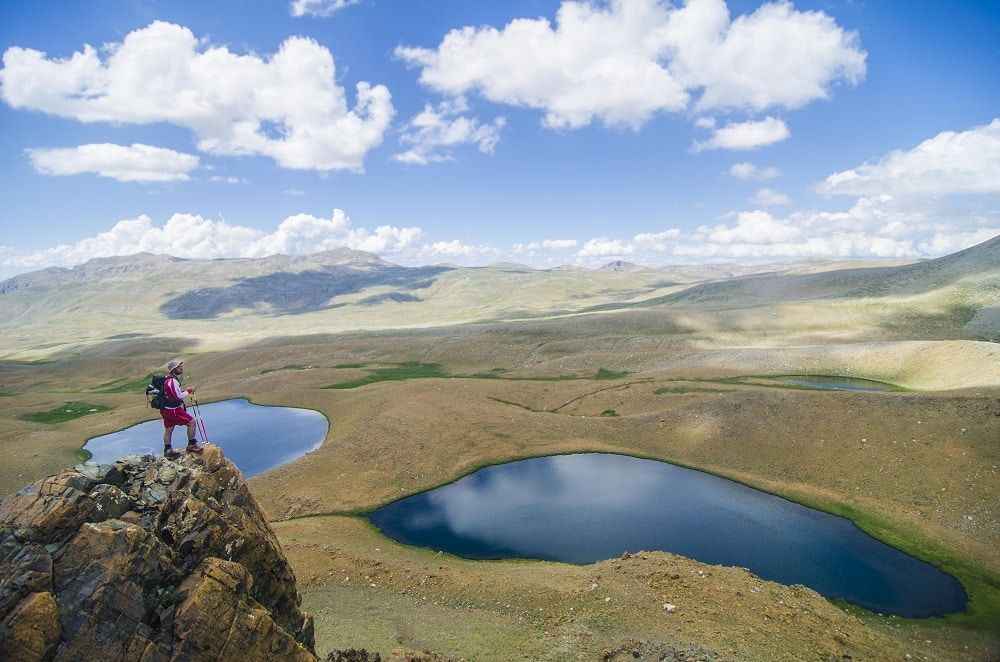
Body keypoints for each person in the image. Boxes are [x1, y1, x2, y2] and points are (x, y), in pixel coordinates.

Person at [161, 359, 203, 458]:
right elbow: (177, 396)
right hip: (174, 410)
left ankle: (167, 450)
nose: (181, 368)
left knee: (169, 429)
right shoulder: (173, 381)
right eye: (179, 367)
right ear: (174, 369)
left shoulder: (167, 379)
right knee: (191, 422)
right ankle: (192, 445)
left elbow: (172, 394)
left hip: (166, 409)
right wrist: (188, 391)